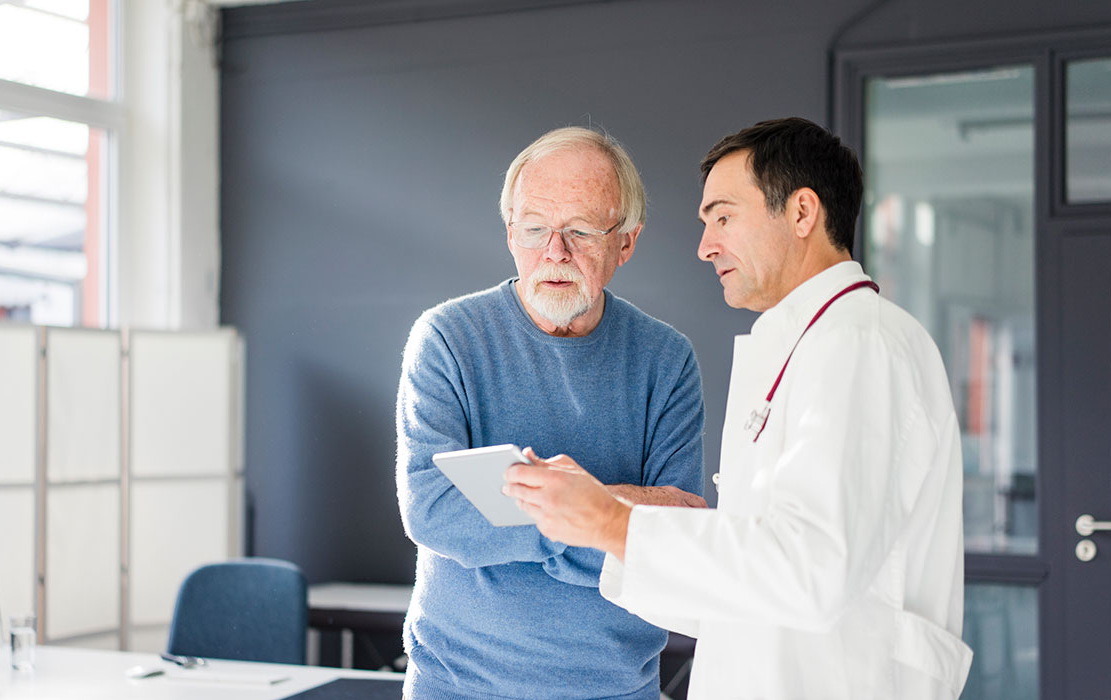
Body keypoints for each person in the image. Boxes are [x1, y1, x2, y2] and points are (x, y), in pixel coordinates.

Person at [504, 117, 973, 699]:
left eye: (723, 217)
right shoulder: (805, 345)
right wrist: (600, 523)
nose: (705, 247)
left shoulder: (860, 344)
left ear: (802, 213)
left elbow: (811, 569)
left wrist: (613, 522)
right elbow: (742, 587)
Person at [395, 126, 708, 699]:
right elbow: (434, 511)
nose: (554, 252)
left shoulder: (666, 360)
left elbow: (678, 530)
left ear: (626, 243)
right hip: (457, 688)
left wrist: (517, 515)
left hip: (615, 689)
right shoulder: (446, 339)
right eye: (536, 227)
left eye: (582, 230)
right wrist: (598, 514)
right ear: (511, 233)